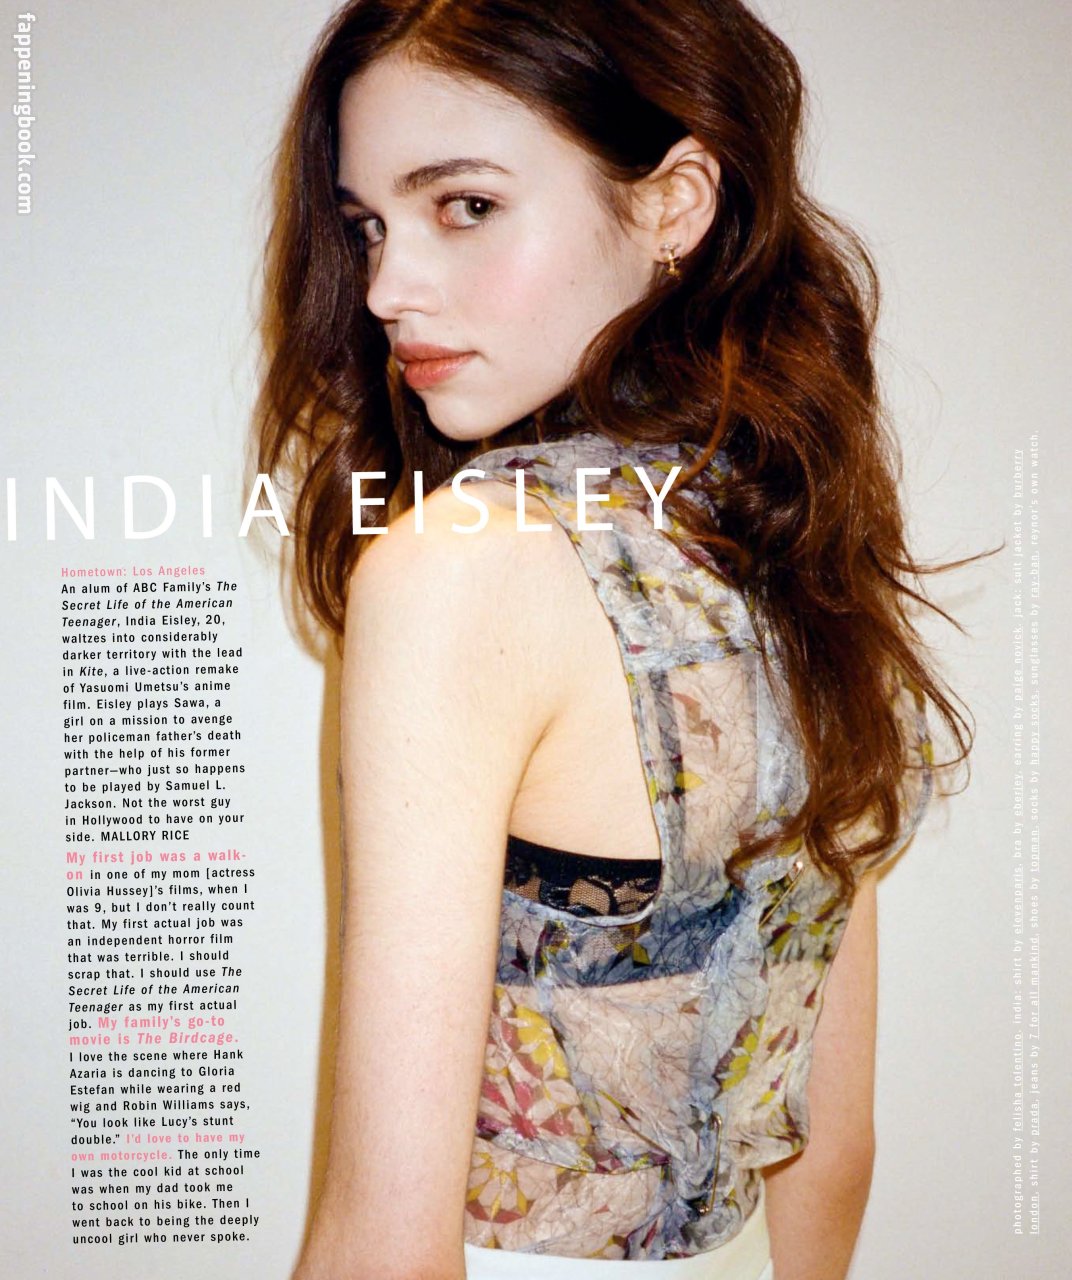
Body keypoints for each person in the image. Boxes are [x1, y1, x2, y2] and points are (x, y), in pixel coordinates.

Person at [254, 2, 972, 1277]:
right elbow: (829, 1138)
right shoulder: (792, 532)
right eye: (367, 225)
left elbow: (383, 1241)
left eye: (464, 205)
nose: (384, 288)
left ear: (672, 203)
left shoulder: (458, 564)